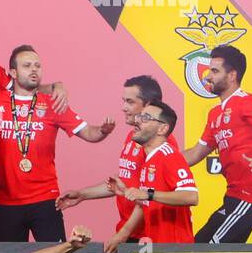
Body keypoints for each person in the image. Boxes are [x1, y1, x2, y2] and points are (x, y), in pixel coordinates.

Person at [0, 45, 114, 242]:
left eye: (37, 65)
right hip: (5, 201)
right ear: (13, 72)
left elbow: (89, 133)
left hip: (45, 199)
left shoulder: (53, 103)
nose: (34, 70)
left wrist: (103, 130)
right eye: (27, 65)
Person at [180, 45, 252, 243]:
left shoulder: (248, 101)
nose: (208, 76)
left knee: (213, 249)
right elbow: (196, 153)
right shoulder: (214, 114)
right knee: (198, 245)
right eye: (209, 70)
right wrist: (164, 162)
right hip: (233, 196)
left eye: (215, 71)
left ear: (232, 75)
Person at [56, 75, 172, 227]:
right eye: (124, 101)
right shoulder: (133, 136)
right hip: (129, 231)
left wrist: (123, 235)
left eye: (130, 102)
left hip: (146, 235)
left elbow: (152, 197)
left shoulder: (159, 141)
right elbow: (124, 182)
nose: (123, 107)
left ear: (148, 106)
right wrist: (82, 194)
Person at [103, 102, 198, 251]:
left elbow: (191, 196)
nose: (137, 120)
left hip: (175, 250)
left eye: (146, 118)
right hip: (156, 247)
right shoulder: (149, 160)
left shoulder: (169, 155)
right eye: (140, 116)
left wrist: (148, 194)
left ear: (162, 128)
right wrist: (126, 190)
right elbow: (148, 201)